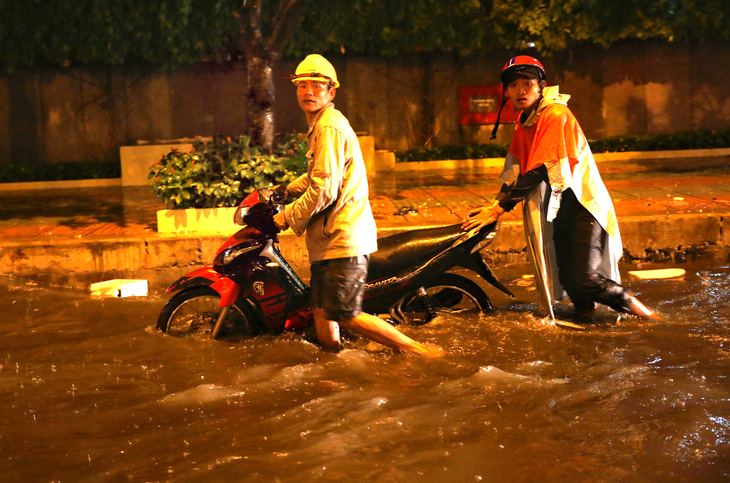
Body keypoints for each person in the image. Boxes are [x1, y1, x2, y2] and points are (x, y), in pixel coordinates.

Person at [463, 55, 656, 320]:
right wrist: (493, 204)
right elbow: (517, 168)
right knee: (568, 279)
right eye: (513, 85)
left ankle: (651, 317)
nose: (520, 90)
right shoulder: (526, 119)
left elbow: (541, 168)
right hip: (559, 208)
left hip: (584, 205)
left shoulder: (555, 114)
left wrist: (498, 209)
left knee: (585, 280)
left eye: (527, 83)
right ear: (506, 91)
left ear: (541, 85)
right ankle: (588, 327)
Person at [273, 54, 441, 354]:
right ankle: (335, 361)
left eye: (316, 85)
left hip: (342, 237)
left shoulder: (329, 128)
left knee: (345, 314)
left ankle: (421, 351)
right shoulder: (321, 125)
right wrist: (284, 191)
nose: (308, 91)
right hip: (328, 238)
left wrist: (286, 217)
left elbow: (324, 189)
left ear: (331, 91)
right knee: (322, 309)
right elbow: (316, 175)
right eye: (302, 85)